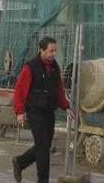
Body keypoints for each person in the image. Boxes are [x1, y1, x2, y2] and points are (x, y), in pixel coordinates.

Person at [11, 37, 74, 183]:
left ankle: (20, 162)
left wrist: (66, 106)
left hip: (48, 111)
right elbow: (19, 90)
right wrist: (20, 112)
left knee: (44, 145)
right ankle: (43, 180)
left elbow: (59, 89)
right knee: (43, 147)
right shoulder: (30, 67)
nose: (53, 54)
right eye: (50, 51)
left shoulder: (54, 67)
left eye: (55, 51)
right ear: (42, 50)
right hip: (35, 111)